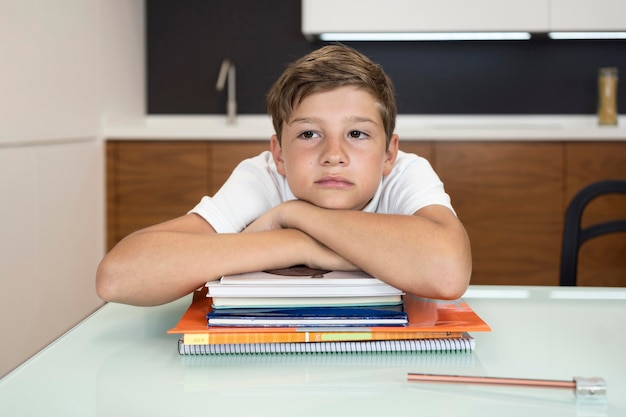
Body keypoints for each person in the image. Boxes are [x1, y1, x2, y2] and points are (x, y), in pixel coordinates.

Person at [96, 44, 471, 306]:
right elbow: (119, 277)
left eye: (357, 134)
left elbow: (448, 274)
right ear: (278, 154)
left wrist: (293, 216)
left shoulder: (406, 172)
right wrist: (300, 245)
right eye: (309, 134)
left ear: (389, 153)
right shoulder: (262, 178)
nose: (333, 155)